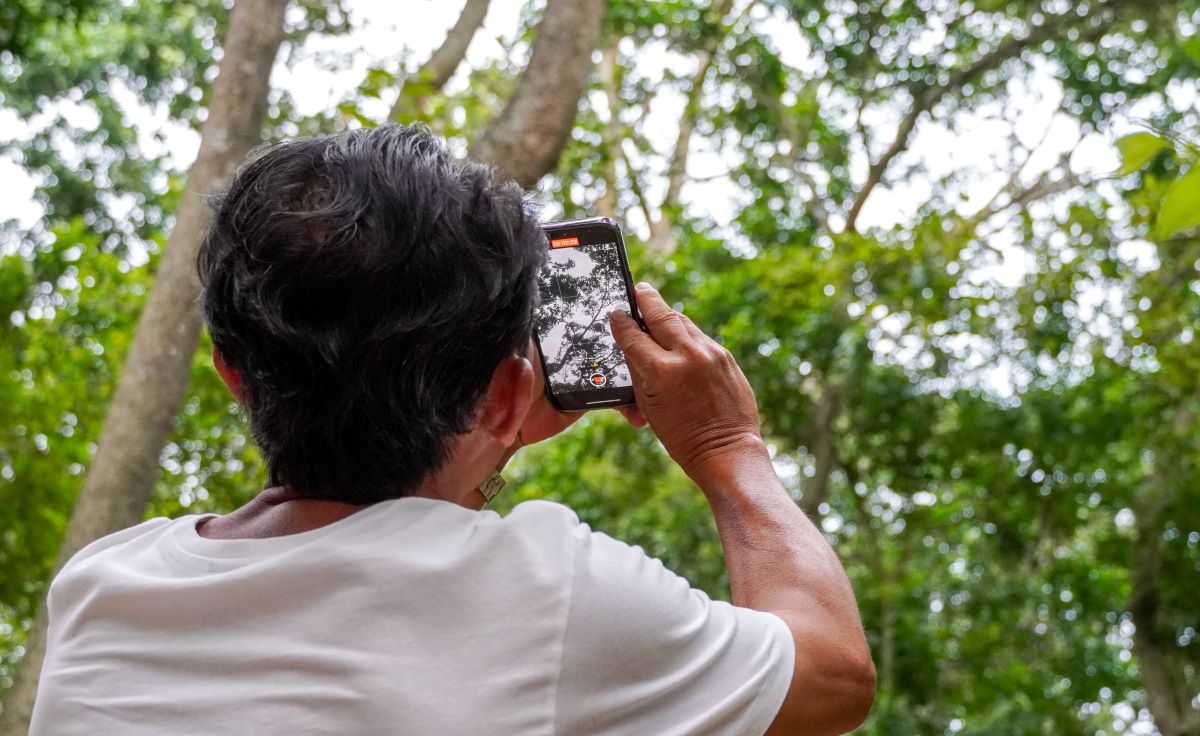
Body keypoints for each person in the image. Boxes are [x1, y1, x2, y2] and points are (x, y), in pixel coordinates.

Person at [30, 124, 874, 735]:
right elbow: (833, 676)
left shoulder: (101, 588)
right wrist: (729, 451)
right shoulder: (549, 590)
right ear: (508, 398)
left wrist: (486, 426)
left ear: (233, 375)